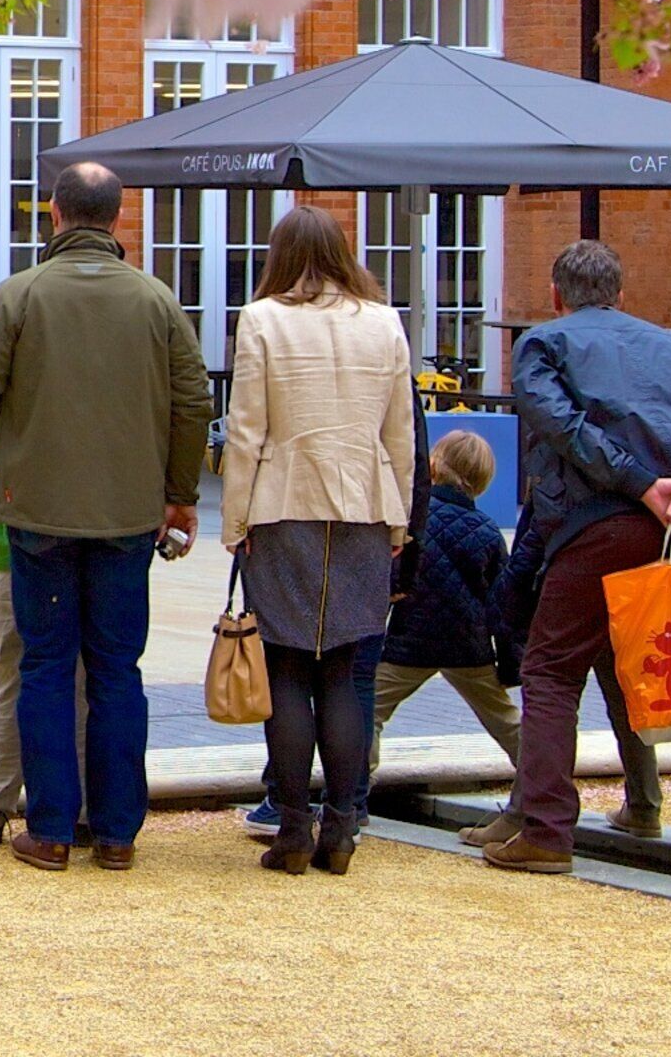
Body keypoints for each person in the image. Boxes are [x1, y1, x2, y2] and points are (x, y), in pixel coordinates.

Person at [0, 161, 214, 872]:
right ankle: (119, 831)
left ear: (55, 214)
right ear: (117, 218)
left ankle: (51, 827)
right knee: (116, 670)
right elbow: (194, 403)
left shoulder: (22, 294)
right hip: (129, 514)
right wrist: (179, 493)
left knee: (43, 665)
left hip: (36, 509)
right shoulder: (156, 300)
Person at [481, 238, 671, 875]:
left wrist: (641, 483)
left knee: (553, 670)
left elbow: (561, 426)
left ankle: (547, 828)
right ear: (622, 293)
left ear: (556, 296)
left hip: (598, 525)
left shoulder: (544, 344)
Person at [220, 205, 417, 875]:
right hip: (364, 504)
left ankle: (293, 828)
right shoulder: (384, 323)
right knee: (341, 671)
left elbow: (246, 431)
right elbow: (401, 436)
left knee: (286, 671)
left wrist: (234, 520)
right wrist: (401, 519)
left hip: (281, 505)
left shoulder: (263, 318)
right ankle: (342, 827)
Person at [374, 432, 525, 768]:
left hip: (410, 643)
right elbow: (503, 606)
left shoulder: (412, 520)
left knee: (368, 713)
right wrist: (511, 666)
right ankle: (543, 789)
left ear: (435, 466)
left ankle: (355, 796)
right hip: (469, 648)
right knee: (506, 721)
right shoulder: (487, 531)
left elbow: (388, 581)